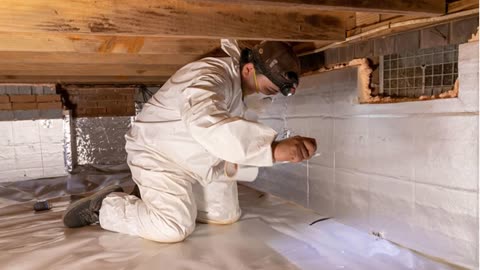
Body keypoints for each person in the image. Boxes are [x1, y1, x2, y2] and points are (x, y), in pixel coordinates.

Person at [62, 39, 317, 242]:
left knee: (225, 215)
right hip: (158, 155)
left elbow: (224, 139)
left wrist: (278, 154)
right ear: (249, 69)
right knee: (173, 227)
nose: (269, 94)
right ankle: (106, 206)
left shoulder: (239, 86)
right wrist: (272, 150)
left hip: (192, 158)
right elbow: (205, 124)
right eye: (270, 88)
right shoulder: (209, 77)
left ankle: (152, 197)